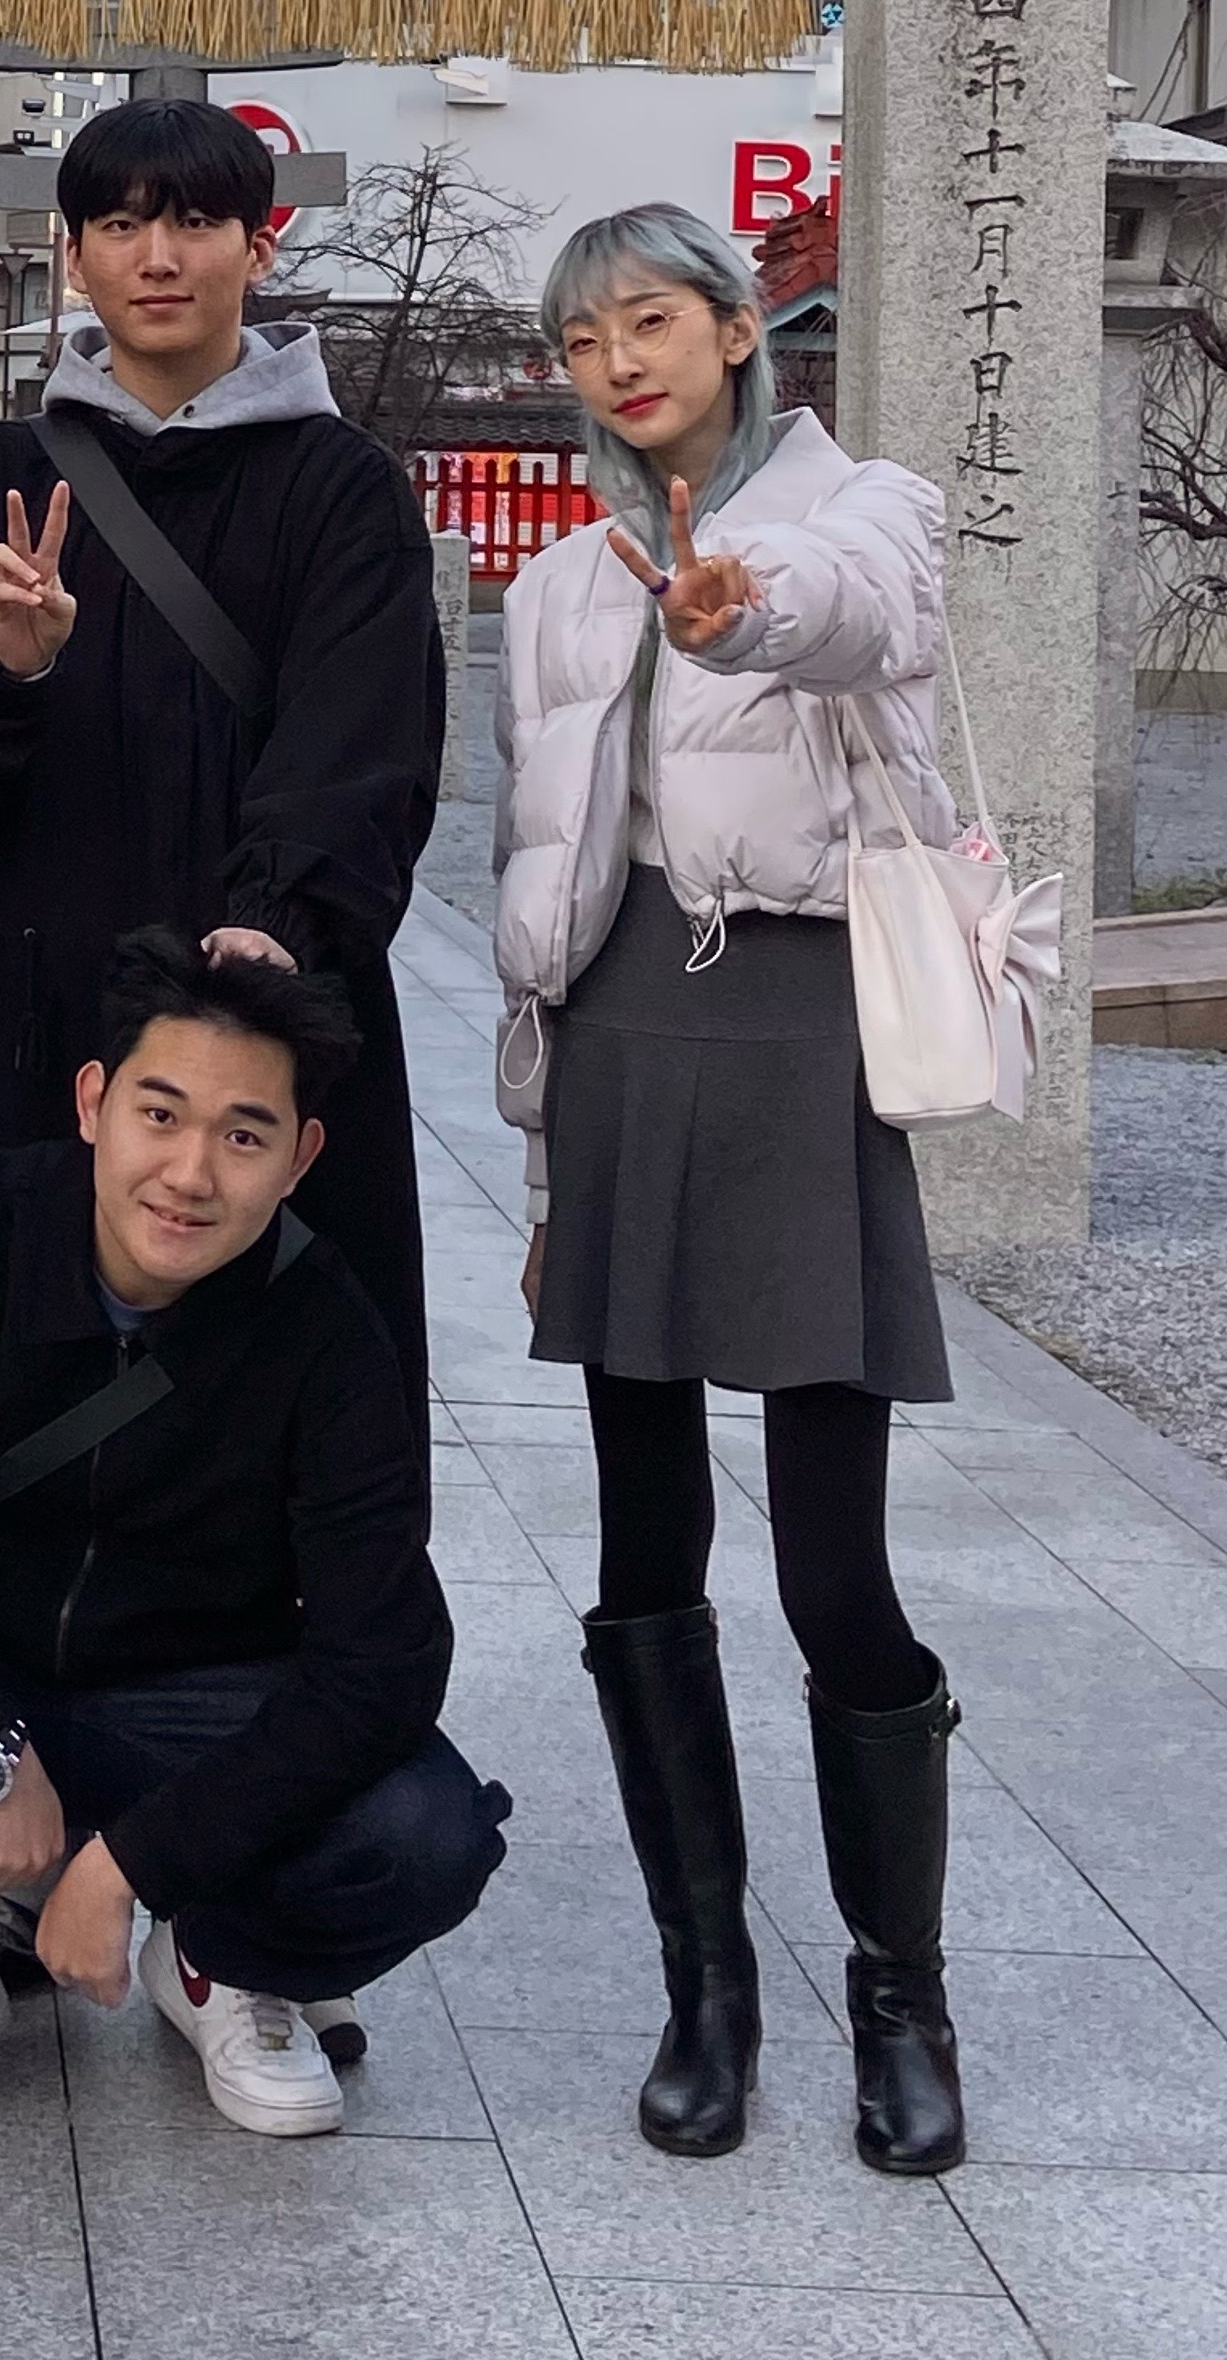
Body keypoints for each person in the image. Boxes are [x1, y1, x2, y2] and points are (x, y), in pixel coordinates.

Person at [0, 931, 508, 2153]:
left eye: (244, 1136)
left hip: (187, 1702)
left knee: (429, 1833)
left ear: (300, 1158)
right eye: (160, 1115)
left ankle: (220, 1962)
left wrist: (134, 1864)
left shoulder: (325, 1327)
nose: (190, 1173)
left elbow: (383, 1660)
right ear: (92, 1102)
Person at [495, 202, 967, 2178]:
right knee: (642, 1546)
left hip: (795, 1028)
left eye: (650, 319)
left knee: (829, 1563)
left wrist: (736, 608)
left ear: (737, 324)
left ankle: (900, 1993)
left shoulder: (862, 507)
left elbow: (863, 616)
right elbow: (542, 865)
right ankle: (706, 1989)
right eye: (582, 337)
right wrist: (538, 1123)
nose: (619, 362)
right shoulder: (552, 584)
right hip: (619, 1035)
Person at [0, 96, 443, 1387]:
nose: (156, 258)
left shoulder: (344, 492)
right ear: (73, 256)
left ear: (259, 248)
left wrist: (271, 938)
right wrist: (1, 667)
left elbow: (363, 749)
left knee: (267, 1403)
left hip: (251, 1022)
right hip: (22, 1024)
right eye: (118, 225)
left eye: (194, 223)